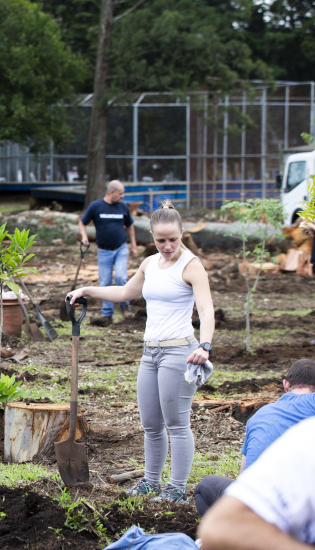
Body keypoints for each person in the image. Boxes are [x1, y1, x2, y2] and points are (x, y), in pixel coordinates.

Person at [68, 202, 214, 504]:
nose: (167, 246)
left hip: (179, 352)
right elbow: (124, 293)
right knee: (151, 424)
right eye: (161, 240)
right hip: (150, 354)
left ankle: (176, 488)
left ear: (182, 233)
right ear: (152, 236)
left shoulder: (191, 265)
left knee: (177, 424)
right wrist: (87, 290)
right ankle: (150, 481)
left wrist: (205, 345)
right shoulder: (149, 264)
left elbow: (206, 309)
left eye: (173, 239)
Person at [193, 358, 315, 516]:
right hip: (297, 508)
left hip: (252, 505)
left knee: (204, 487)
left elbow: (244, 475)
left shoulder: (260, 415)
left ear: (285, 385)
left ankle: (223, 537)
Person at [198, 416, 315, 549]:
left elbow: (242, 473)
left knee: (205, 486)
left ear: (286, 392)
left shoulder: (263, 417)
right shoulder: (308, 434)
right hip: (266, 504)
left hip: (260, 499)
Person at [78, 180, 139, 326]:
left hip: (121, 248)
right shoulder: (96, 206)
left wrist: (134, 245)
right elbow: (82, 223)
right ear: (112, 192)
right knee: (104, 282)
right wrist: (84, 237)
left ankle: (124, 305)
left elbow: (130, 226)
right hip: (104, 250)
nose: (123, 196)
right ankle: (107, 314)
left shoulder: (122, 207)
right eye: (121, 193)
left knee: (120, 276)